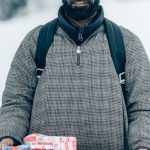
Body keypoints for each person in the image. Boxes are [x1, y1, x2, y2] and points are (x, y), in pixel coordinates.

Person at [0, 0, 150, 149]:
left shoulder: (126, 42)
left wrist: (142, 145)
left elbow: (143, 107)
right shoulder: (36, 41)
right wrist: (8, 136)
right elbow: (17, 103)